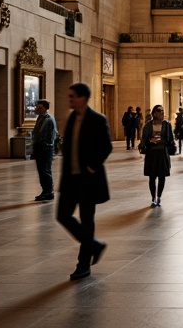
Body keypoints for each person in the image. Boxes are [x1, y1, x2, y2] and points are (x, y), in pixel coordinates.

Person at [58, 82, 112, 280]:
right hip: (71, 179)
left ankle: (83, 264)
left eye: (73, 96)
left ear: (83, 98)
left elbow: (106, 146)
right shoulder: (72, 118)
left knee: (87, 221)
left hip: (88, 179)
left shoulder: (97, 119)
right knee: (62, 215)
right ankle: (94, 245)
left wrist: (91, 166)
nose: (70, 99)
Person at [140, 105, 174, 206]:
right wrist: (149, 141)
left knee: (162, 176)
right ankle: (153, 198)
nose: (162, 113)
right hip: (152, 153)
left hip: (163, 152)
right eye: (160, 111)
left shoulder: (167, 125)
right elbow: (143, 140)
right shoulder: (148, 125)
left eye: (163, 111)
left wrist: (166, 142)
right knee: (152, 176)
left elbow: (171, 139)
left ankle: (159, 196)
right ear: (154, 113)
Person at [31, 98, 57, 201]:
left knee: (45, 170)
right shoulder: (41, 118)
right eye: (37, 106)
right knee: (42, 170)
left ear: (44, 108)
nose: (36, 108)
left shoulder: (48, 119)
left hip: (45, 147)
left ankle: (49, 191)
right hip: (41, 147)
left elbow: (43, 134)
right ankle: (45, 190)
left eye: (39, 107)